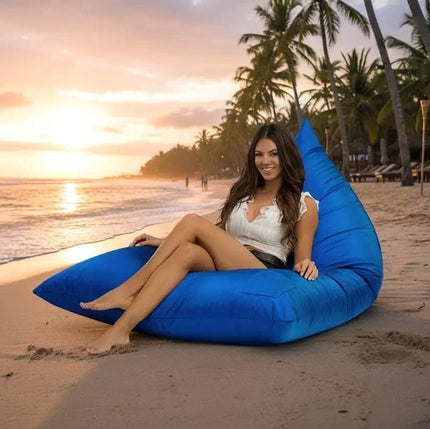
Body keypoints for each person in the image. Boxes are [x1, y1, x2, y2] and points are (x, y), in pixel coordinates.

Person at [80, 123, 319, 354]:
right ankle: (122, 329)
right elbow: (217, 232)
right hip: (225, 259)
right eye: (259, 154)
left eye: (273, 154)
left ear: (286, 156)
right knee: (186, 251)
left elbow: (302, 256)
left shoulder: (302, 202)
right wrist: (165, 241)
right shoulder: (243, 193)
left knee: (192, 220)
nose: (265, 161)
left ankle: (130, 287)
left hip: (262, 268)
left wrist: (307, 263)